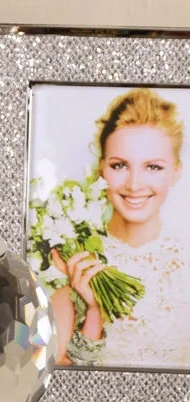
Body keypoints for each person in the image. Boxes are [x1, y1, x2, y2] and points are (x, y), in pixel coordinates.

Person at [50, 88, 189, 367]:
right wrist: (93, 312)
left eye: (153, 167)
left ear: (176, 172)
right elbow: (52, 386)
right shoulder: (73, 260)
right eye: (120, 165)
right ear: (102, 168)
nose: (134, 185)